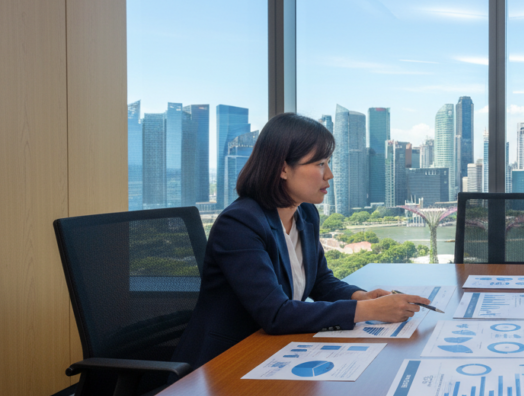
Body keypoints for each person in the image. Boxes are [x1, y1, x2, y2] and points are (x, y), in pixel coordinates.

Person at [173, 113, 429, 370]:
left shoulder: (305, 214)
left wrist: (362, 297)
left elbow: (321, 281)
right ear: (283, 168)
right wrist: (370, 312)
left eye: (328, 163)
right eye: (319, 164)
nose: (329, 174)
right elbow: (275, 314)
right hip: (224, 364)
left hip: (273, 353)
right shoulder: (239, 224)